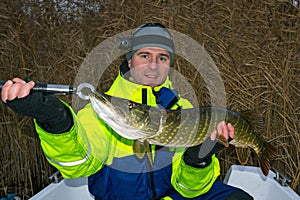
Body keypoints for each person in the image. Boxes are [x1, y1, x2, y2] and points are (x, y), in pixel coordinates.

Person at [1, 23, 253, 200]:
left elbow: (188, 189)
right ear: (130, 60)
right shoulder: (100, 113)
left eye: (163, 58)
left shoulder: (184, 110)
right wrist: (55, 121)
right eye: (145, 55)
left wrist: (198, 160)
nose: (154, 65)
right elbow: (78, 165)